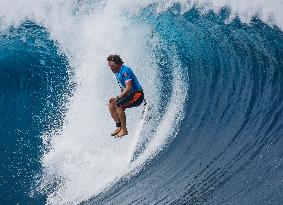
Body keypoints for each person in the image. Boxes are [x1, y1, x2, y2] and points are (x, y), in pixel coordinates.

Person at [107, 55, 144, 138]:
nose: (111, 68)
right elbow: (122, 88)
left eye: (113, 66)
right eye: (110, 66)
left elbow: (128, 87)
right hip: (130, 95)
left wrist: (118, 98)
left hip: (137, 94)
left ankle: (124, 130)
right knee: (112, 104)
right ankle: (119, 126)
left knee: (118, 105)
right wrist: (117, 98)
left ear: (119, 64)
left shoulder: (125, 70)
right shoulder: (117, 73)